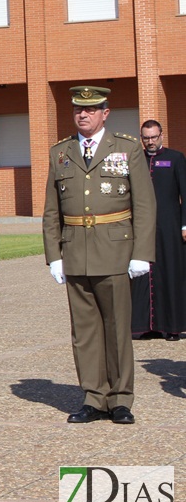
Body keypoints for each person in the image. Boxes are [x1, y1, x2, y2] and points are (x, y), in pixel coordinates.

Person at [43, 85, 156, 425]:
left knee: (118, 327)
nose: (83, 114)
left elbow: (145, 206)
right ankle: (93, 397)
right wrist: (54, 255)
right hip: (76, 249)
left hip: (116, 249)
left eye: (91, 110)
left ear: (105, 113)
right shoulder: (60, 152)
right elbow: (52, 210)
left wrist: (141, 253)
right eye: (78, 109)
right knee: (85, 330)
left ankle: (120, 398)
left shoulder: (127, 148)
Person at [130, 120, 186, 341]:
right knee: (142, 273)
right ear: (141, 138)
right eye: (146, 138)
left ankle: (172, 326)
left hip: (170, 227)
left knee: (170, 274)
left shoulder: (176, 158)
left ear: (161, 135)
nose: (150, 142)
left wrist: (184, 224)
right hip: (141, 228)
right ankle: (146, 325)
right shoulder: (136, 160)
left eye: (154, 137)